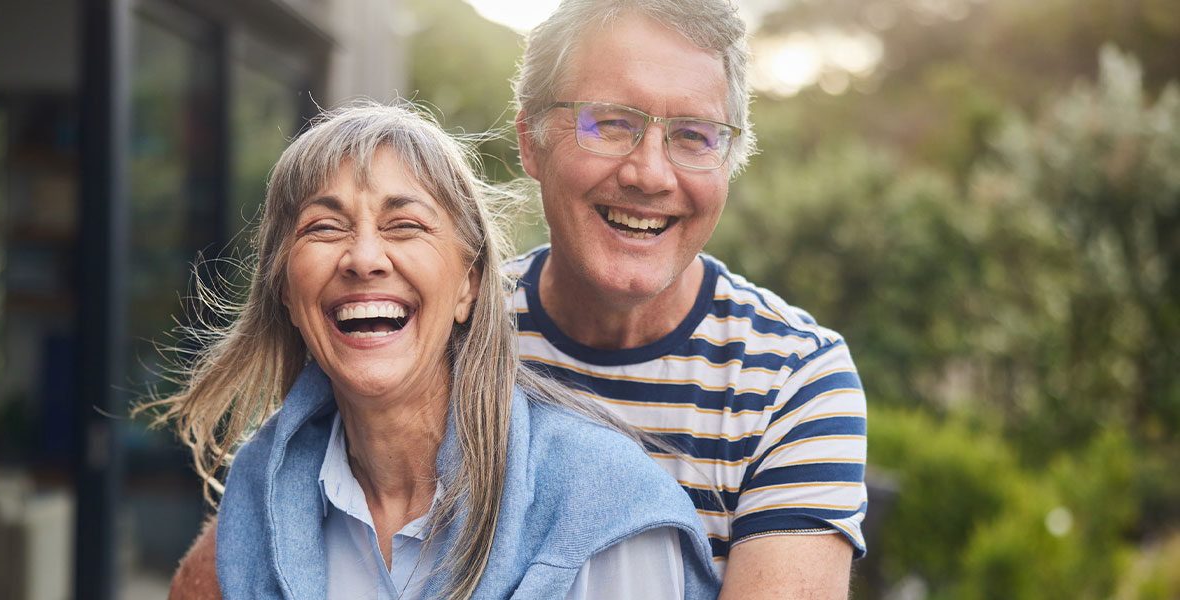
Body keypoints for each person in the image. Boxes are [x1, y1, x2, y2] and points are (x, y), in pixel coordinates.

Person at [171, 0, 868, 597]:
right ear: (530, 140)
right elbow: (273, 524)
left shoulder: (793, 380)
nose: (650, 173)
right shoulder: (422, 322)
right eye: (610, 122)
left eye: (693, 136)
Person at [150, 102, 719, 600]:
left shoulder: (604, 505)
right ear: (284, 292)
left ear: (469, 285)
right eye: (324, 227)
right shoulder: (258, 495)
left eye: (404, 225)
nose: (363, 258)